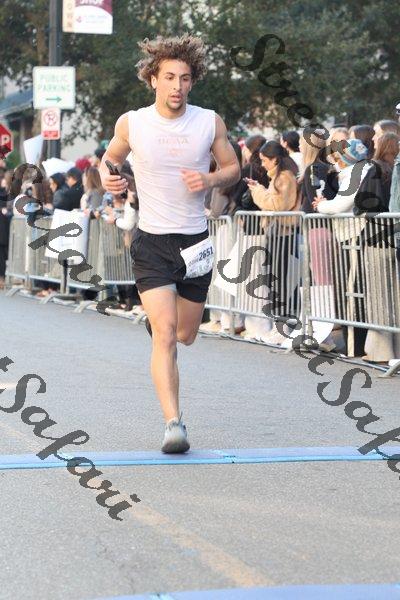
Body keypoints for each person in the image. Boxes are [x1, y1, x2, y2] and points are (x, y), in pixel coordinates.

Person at [99, 34, 240, 453]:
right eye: (169, 77)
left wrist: (209, 179)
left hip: (195, 242)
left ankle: (163, 326)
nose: (177, 86)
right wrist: (109, 178)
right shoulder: (133, 122)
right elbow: (111, 159)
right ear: (153, 79)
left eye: (185, 78)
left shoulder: (209, 122)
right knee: (164, 334)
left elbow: (232, 168)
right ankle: (173, 424)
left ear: (192, 81)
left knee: (185, 334)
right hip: (152, 241)